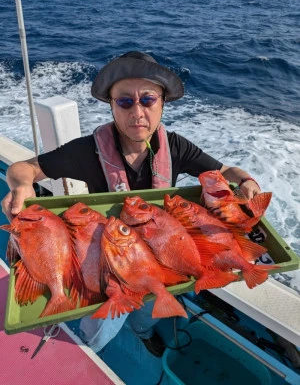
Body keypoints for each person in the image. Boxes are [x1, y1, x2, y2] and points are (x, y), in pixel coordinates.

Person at [1, 51, 261, 357]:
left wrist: (245, 180)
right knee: (98, 328)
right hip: (107, 258)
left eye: (148, 100)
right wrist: (21, 186)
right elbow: (24, 168)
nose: (137, 112)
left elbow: (224, 171)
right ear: (112, 106)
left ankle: (142, 333)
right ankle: (86, 353)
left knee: (146, 309)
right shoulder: (88, 150)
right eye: (125, 101)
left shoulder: (176, 146)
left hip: (159, 256)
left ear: (162, 103)